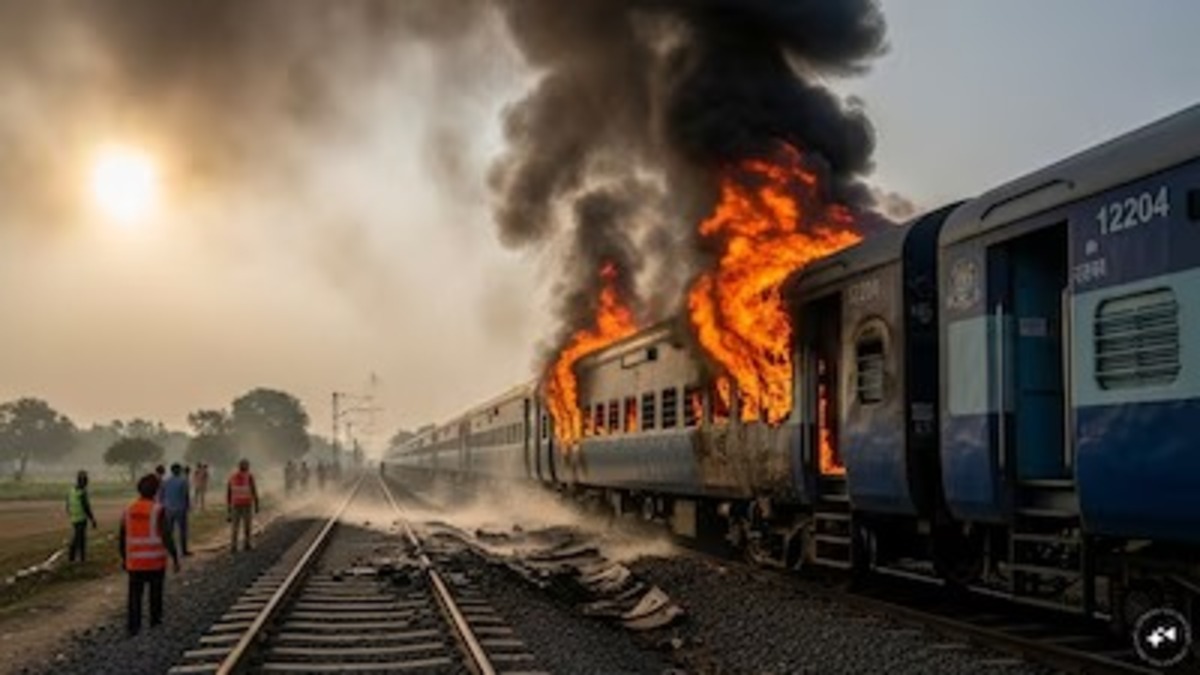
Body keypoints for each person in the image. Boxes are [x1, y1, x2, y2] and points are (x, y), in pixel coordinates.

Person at [119, 474, 179, 636]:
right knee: (155, 594)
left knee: (134, 596)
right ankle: (155, 622)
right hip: (154, 562)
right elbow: (166, 535)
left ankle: (133, 627)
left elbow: (122, 537)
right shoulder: (158, 510)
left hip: (135, 563)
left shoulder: (128, 510)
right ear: (156, 491)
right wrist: (175, 556)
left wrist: (124, 559)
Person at [227, 459, 259, 552]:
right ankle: (247, 544)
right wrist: (256, 503)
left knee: (235, 527)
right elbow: (253, 490)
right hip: (246, 504)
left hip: (235, 504)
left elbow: (229, 492)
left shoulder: (232, 476)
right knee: (247, 526)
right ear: (245, 466)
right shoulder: (249, 476)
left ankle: (233, 546)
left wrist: (229, 507)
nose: (248, 467)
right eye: (247, 465)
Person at [66, 470, 98, 562]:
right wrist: (92, 519)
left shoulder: (71, 491)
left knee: (77, 537)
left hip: (74, 518)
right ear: (84, 482)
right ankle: (79, 558)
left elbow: (67, 505)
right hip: (81, 518)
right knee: (80, 539)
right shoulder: (82, 492)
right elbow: (86, 507)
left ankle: (75, 557)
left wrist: (71, 514)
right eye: (86, 480)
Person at [161, 463, 191, 556]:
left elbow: (162, 495)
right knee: (182, 530)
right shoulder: (183, 481)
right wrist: (187, 506)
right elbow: (185, 495)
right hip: (180, 509)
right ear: (179, 470)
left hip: (168, 509)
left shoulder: (166, 482)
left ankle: (169, 550)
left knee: (169, 531)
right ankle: (183, 550)